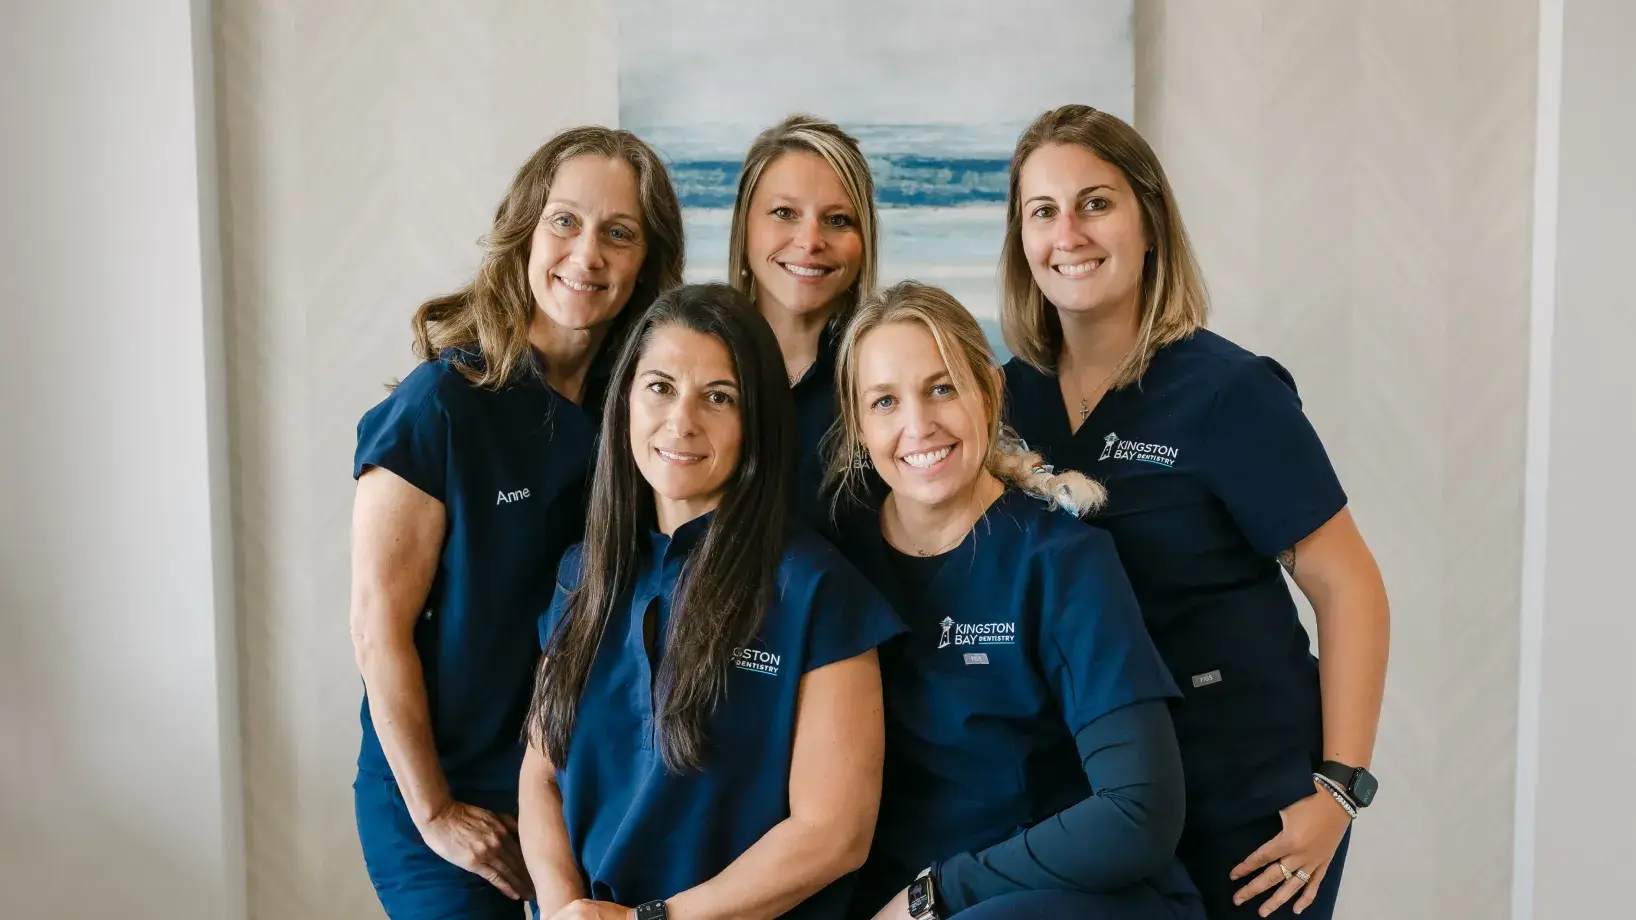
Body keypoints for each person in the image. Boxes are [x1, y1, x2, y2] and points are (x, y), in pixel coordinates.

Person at [999, 105, 1390, 919]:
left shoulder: (1228, 393)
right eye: (1043, 211)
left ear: (1148, 224)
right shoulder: (1006, 400)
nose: (1067, 232)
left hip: (1246, 806)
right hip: (1092, 802)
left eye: (1096, 202)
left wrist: (1340, 790)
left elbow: (1348, 585)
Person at [348, 126, 684, 919]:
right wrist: (436, 815)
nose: (587, 253)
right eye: (565, 221)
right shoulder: (440, 406)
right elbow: (376, 628)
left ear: (646, 262)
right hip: (444, 797)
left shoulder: (637, 414)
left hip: (580, 802)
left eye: (619, 233)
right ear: (525, 229)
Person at [520, 283, 905, 920]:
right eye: (660, 387)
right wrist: (566, 909)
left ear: (755, 421)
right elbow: (540, 774)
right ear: (625, 403)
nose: (682, 421)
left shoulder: (815, 588)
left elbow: (834, 835)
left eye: (718, 398)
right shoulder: (580, 575)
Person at [830, 281, 1206, 920]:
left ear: (989, 393)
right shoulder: (832, 561)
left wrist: (939, 894)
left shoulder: (1061, 561)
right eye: (886, 401)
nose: (918, 425)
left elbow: (1140, 811)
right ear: (858, 424)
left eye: (942, 388)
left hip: (1061, 900)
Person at [728, 114, 879, 524]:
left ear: (863, 243)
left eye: (837, 220)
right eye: (783, 212)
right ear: (744, 228)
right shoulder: (692, 363)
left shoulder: (890, 375)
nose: (811, 241)